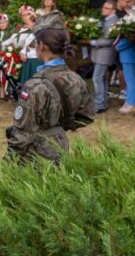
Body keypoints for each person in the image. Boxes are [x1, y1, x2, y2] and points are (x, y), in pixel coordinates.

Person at [7, 27, 94, 163]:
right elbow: (86, 116)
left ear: (42, 46)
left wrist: (9, 160)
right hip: (60, 145)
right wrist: (57, 127)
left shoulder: (35, 84)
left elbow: (23, 133)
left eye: (35, 44)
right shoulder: (76, 79)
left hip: (34, 153)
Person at [89, 0, 119, 114]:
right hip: (100, 54)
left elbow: (109, 40)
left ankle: (99, 104)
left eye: (107, 8)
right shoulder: (106, 20)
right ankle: (102, 102)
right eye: (103, 7)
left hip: (104, 54)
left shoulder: (113, 21)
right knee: (101, 78)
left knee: (97, 78)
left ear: (113, 11)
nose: (103, 9)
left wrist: (93, 42)